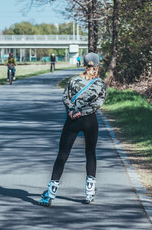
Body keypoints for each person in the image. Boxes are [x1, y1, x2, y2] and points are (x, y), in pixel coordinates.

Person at [39, 52, 107, 207]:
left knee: (63, 154)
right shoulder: (101, 84)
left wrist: (71, 110)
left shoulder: (74, 80)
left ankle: (50, 193)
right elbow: (98, 104)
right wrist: (83, 112)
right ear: (97, 65)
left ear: (83, 64)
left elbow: (65, 97)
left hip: (72, 120)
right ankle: (89, 192)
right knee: (90, 154)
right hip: (90, 121)